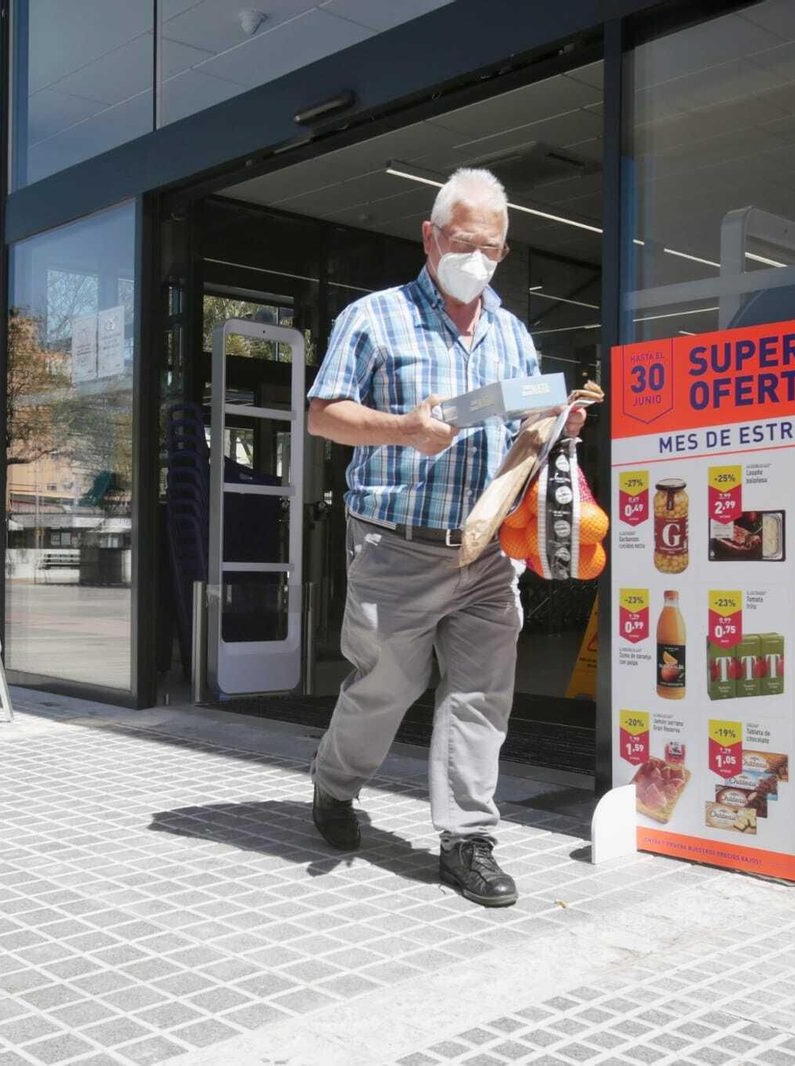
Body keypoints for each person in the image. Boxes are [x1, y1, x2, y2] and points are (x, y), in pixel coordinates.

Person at [305, 167, 585, 907]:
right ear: (430, 238)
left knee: (480, 694)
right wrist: (404, 429)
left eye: (493, 250)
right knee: (385, 690)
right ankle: (333, 786)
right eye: (465, 244)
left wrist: (555, 423)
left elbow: (525, 424)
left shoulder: (512, 333)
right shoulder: (375, 318)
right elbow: (322, 414)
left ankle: (468, 841)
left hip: (488, 549)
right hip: (395, 545)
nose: (479, 261)